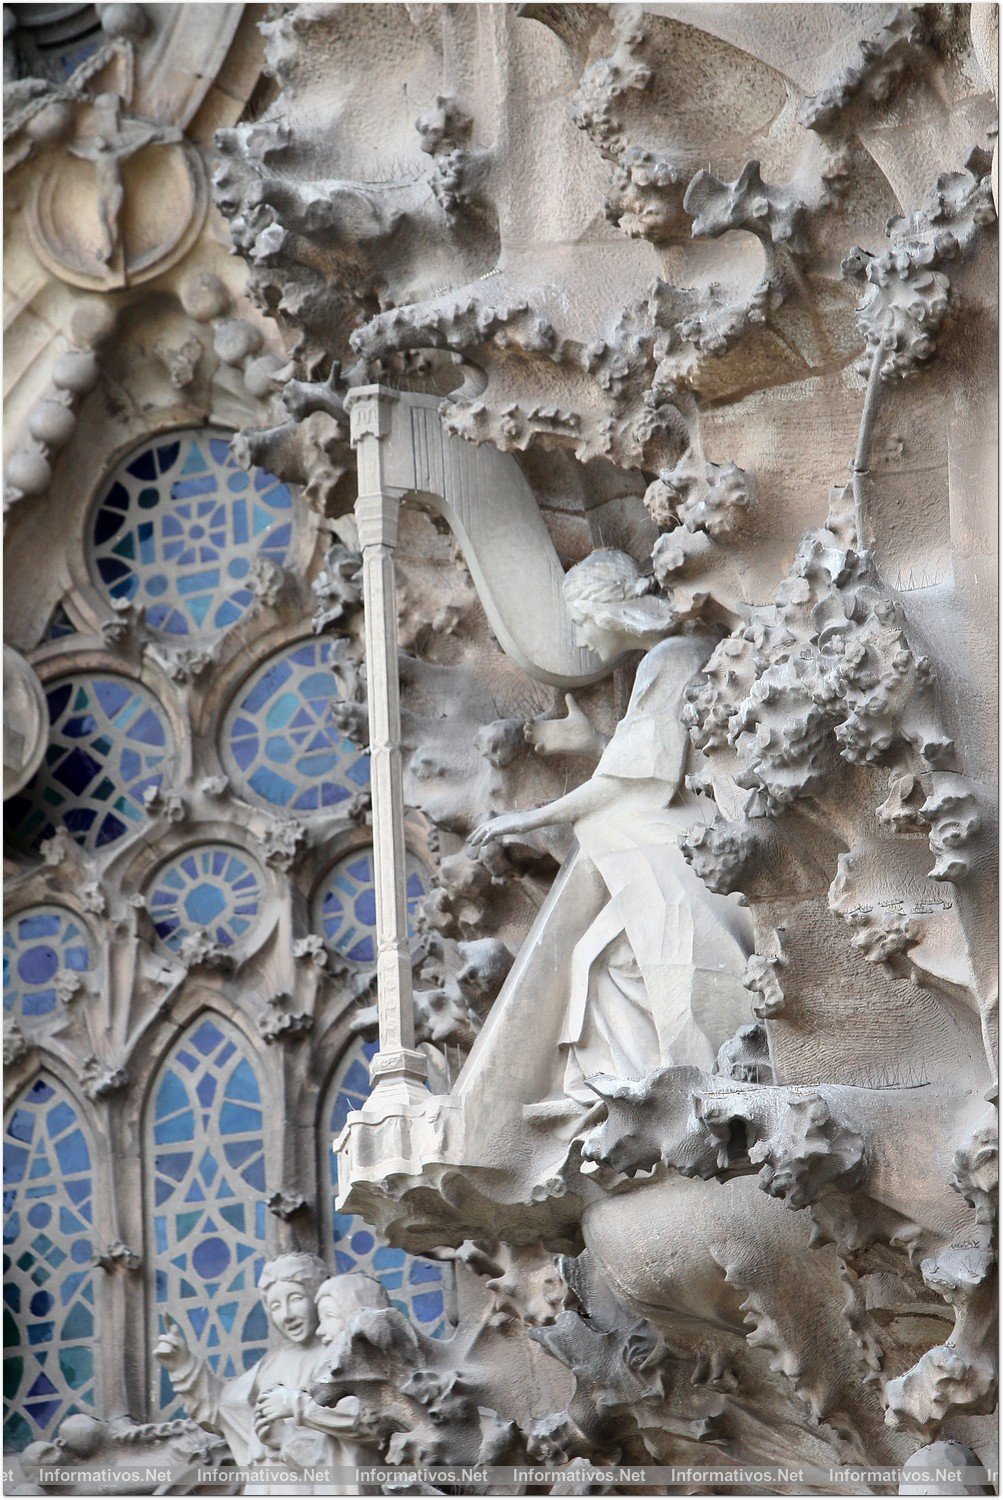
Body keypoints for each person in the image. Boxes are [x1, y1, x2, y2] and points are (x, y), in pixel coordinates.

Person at [468, 549, 752, 1105]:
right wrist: (591, 745)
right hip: (653, 836)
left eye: (579, 621)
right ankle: (644, 1091)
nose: (579, 639)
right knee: (598, 959)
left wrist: (527, 817)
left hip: (668, 842)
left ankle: (692, 1087)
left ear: (609, 612)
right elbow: (648, 763)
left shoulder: (672, 657)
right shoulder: (672, 658)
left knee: (655, 965)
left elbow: (630, 781)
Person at [154, 1251, 331, 1493]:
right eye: (276, 1305)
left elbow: (356, 1426)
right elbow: (226, 1408)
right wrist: (184, 1364)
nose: (287, 1315)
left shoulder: (336, 1355)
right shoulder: (272, 1363)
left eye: (296, 1298)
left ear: (317, 1297)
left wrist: (291, 1430)